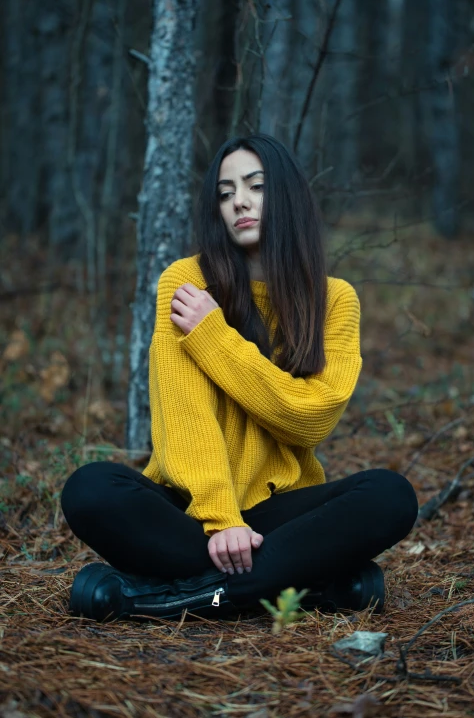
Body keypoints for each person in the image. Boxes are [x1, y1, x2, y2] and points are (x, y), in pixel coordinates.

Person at [61, 133, 418, 623]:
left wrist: (214, 338)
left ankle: (160, 599)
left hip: (280, 514)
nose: (239, 203)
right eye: (225, 193)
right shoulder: (186, 283)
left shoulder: (335, 300)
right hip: (190, 515)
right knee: (91, 488)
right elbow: (185, 417)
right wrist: (221, 519)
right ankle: (312, 587)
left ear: (287, 195)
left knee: (390, 495)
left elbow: (309, 419)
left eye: (255, 186)